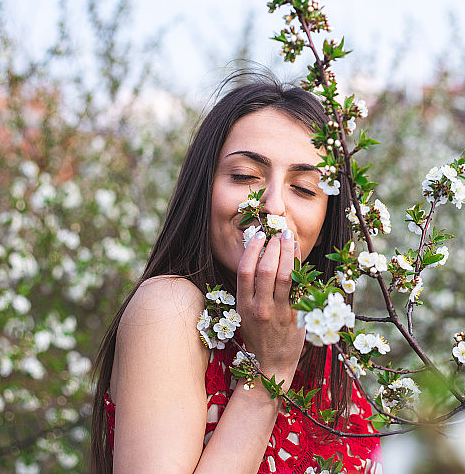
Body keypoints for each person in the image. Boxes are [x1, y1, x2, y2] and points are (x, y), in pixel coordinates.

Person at [90, 77, 382, 474]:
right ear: (204, 186)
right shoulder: (172, 309)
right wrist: (268, 372)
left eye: (304, 188)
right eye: (244, 176)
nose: (273, 205)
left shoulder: (318, 341)